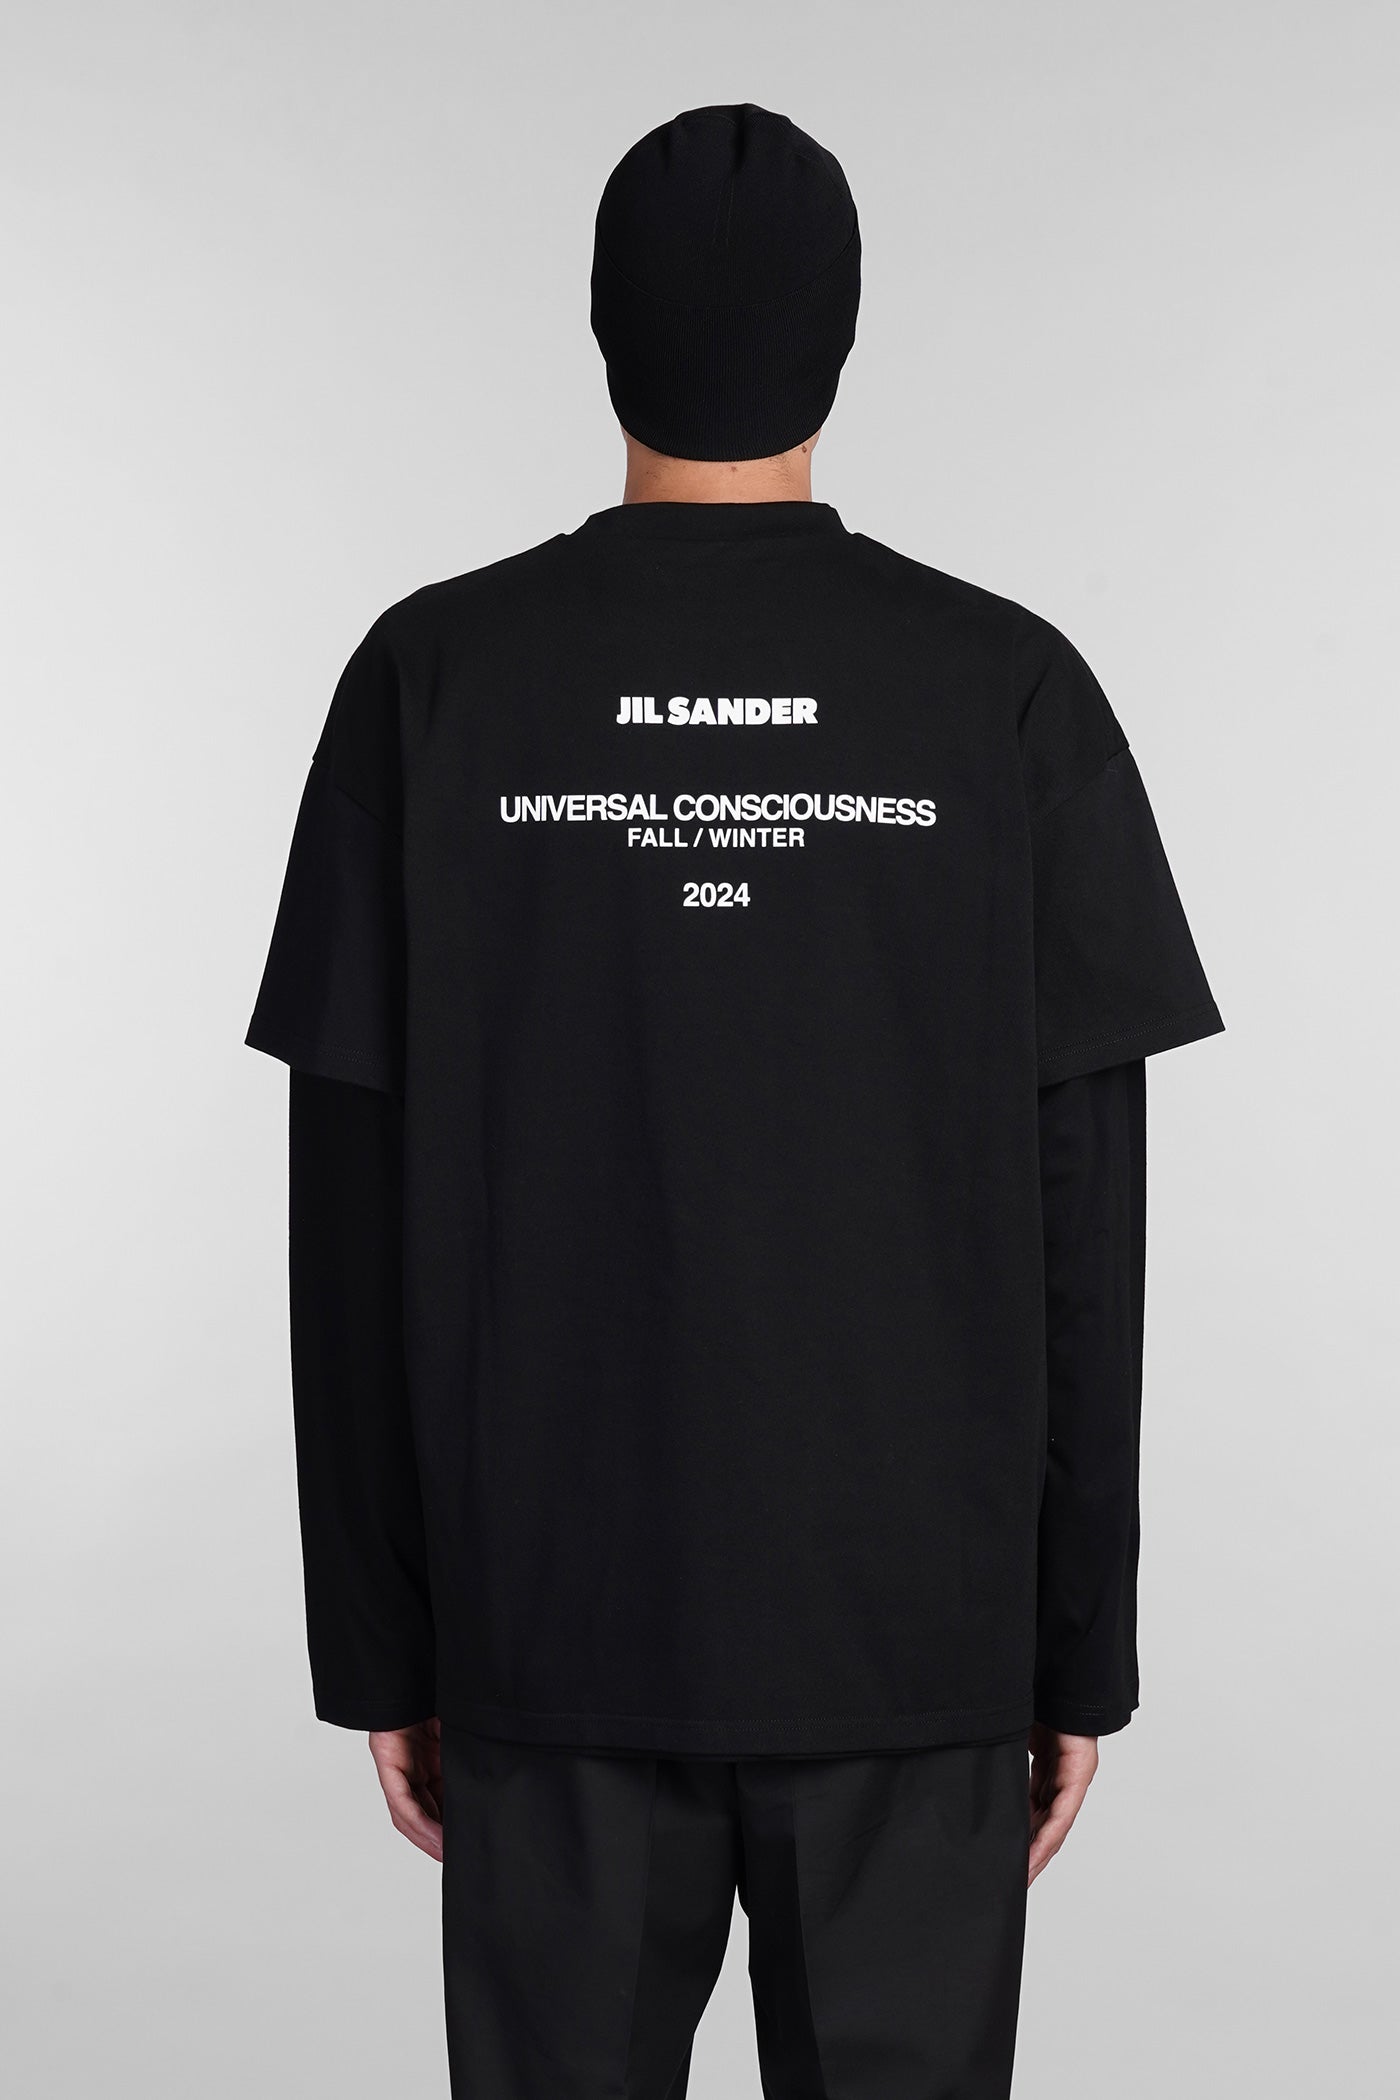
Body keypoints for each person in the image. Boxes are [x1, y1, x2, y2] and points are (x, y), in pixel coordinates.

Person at [246, 102, 1222, 2100]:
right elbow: (1087, 1218)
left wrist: (385, 1643)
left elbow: (342, 1207)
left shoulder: (433, 680)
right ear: (843, 334)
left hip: (546, 1626)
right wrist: (1074, 1648)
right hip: (913, 1639)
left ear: (602, 325)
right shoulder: (1003, 691)